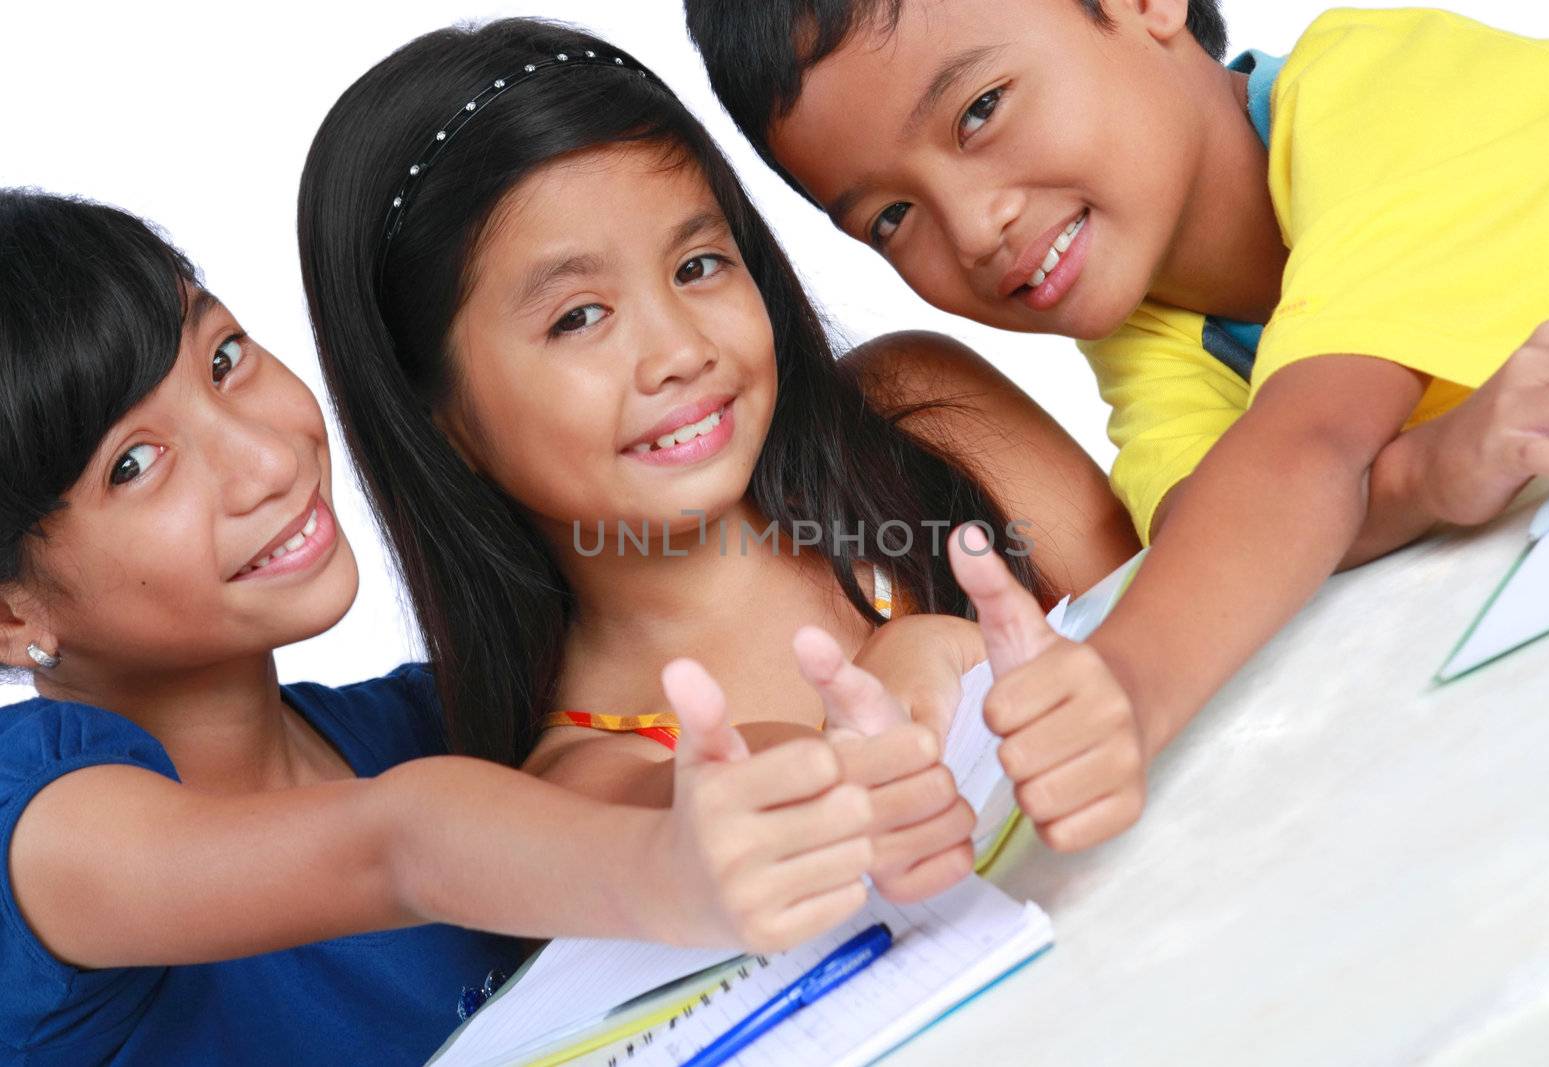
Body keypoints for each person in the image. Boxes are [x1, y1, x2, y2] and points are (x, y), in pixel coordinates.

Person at [0, 189, 890, 1065]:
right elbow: (397, 846)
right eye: (136, 462)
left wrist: (797, 767)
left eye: (225, 357)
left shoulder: (435, 717)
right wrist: (661, 862)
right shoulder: (37, 821)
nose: (267, 459)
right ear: (11, 611)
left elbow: (648, 777)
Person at [685, 0, 1549, 843]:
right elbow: (1222, 525)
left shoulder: (1387, 94)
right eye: (891, 216)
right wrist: (1427, 472)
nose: (971, 229)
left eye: (979, 110)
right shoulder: (1156, 330)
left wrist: (1121, 686)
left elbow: (1303, 456)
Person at [297, 17, 1141, 886]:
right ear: (439, 417)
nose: (680, 351)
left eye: (698, 265)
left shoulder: (925, 413)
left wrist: (979, 659)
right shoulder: (584, 780)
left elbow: (1175, 619)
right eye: (578, 317)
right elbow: (750, 797)